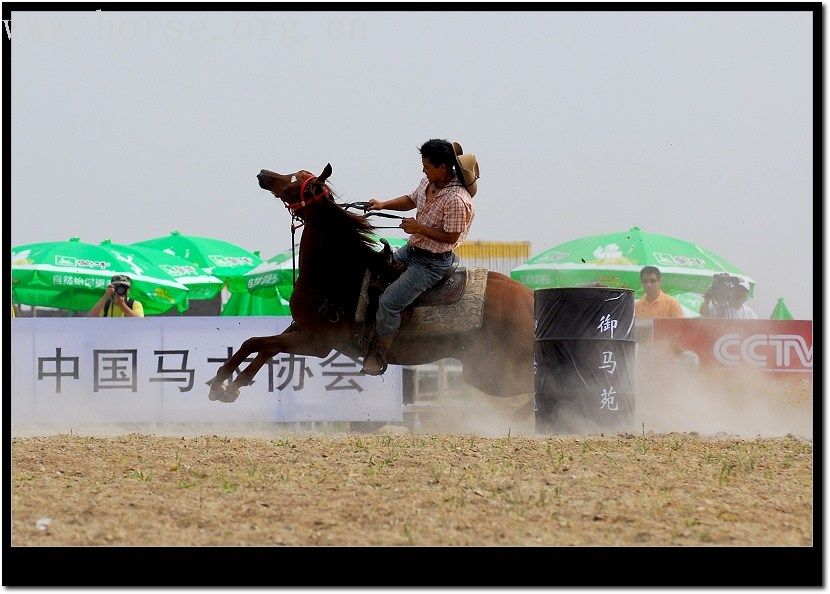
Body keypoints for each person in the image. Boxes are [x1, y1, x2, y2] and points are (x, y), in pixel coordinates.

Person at [360, 138, 479, 375]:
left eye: (426, 165)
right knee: (372, 273)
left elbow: (451, 236)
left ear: (442, 167)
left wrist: (419, 228)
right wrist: (382, 204)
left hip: (431, 264)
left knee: (389, 303)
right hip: (411, 250)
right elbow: (411, 199)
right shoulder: (428, 181)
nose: (423, 169)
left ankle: (379, 353)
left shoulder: (457, 200)